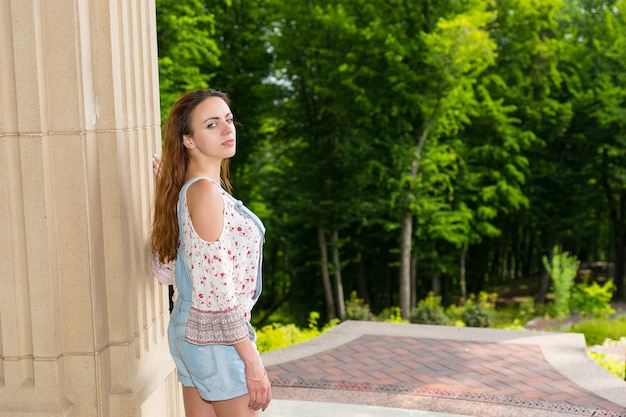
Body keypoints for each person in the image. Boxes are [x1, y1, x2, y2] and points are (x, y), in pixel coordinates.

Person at [150, 89, 271, 417]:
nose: (228, 129)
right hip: (216, 340)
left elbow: (166, 271)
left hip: (191, 333)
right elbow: (218, 290)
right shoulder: (203, 193)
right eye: (212, 124)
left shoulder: (190, 192)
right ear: (188, 140)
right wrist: (252, 361)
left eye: (229, 120)